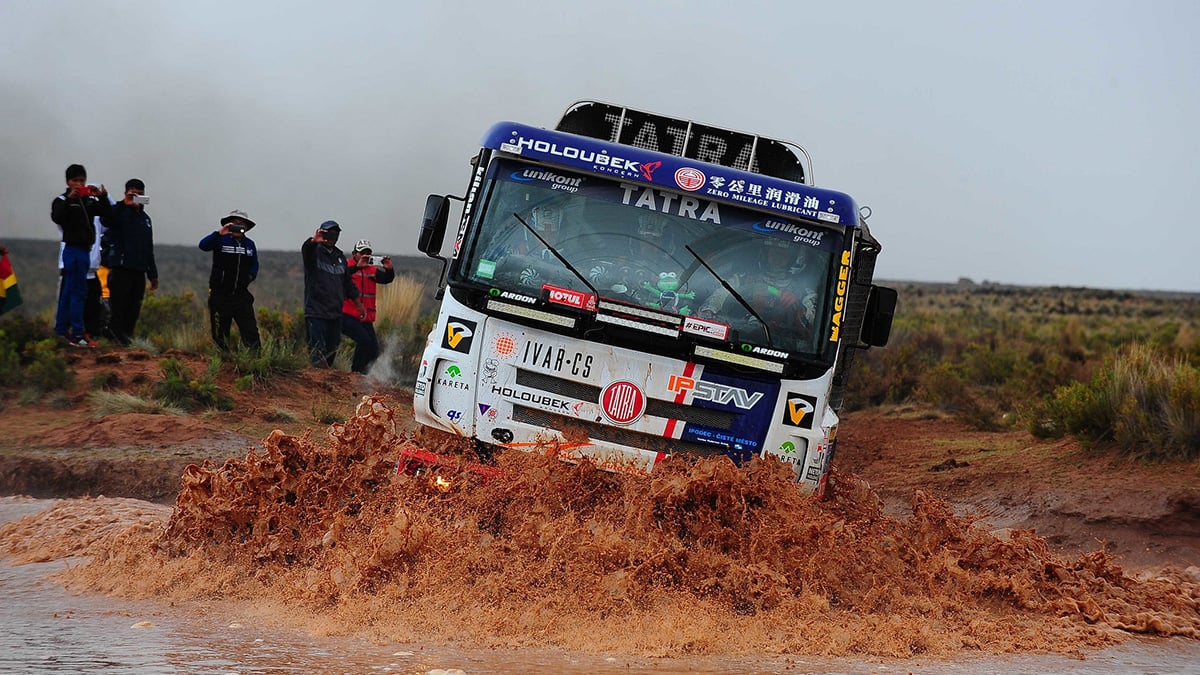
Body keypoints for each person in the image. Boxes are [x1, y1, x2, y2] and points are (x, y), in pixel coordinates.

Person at [697, 238, 821, 346]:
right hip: (736, 336)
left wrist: (799, 306)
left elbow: (817, 325)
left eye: (783, 253)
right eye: (773, 251)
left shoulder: (803, 292)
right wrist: (708, 311)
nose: (777, 256)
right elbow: (719, 296)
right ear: (765, 253)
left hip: (778, 346)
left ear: (795, 258)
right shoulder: (742, 279)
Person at [51, 164, 111, 347]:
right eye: (75, 180)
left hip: (85, 250)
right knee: (78, 292)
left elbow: (107, 215)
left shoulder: (88, 201)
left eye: (81, 180)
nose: (78, 184)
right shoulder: (62, 200)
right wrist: (70, 200)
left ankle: (61, 330)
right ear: (68, 181)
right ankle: (77, 334)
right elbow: (57, 217)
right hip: (73, 250)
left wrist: (102, 197)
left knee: (69, 292)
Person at [101, 179, 158, 345]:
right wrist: (123, 204)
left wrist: (152, 274)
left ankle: (126, 340)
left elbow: (149, 248)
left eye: (140, 193)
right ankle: (112, 340)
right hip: (121, 268)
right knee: (118, 307)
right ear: (126, 192)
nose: (137, 196)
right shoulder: (118, 212)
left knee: (134, 309)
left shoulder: (146, 219)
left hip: (139, 270)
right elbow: (106, 220)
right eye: (133, 193)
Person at [302, 221, 363, 368]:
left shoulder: (339, 257)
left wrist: (359, 305)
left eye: (335, 234)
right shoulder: (314, 252)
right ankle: (317, 385)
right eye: (328, 233)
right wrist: (312, 241)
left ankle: (326, 383)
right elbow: (306, 250)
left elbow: (347, 283)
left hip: (335, 313)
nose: (331, 237)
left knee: (331, 350)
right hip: (316, 312)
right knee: (317, 352)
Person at [199, 210, 261, 352]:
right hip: (220, 294)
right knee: (220, 332)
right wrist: (219, 233)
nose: (239, 226)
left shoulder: (249, 244)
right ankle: (223, 362)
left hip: (241, 294)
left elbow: (255, 263)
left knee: (250, 331)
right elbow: (203, 246)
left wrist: (250, 276)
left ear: (247, 227)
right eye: (235, 222)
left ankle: (256, 361)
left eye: (242, 223)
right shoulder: (220, 240)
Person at [341, 239, 395, 374]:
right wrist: (357, 267)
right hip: (347, 313)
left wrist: (389, 270)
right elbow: (339, 277)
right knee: (364, 341)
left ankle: (363, 376)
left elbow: (386, 279)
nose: (365, 256)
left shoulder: (371, 269)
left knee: (374, 350)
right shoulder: (347, 266)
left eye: (368, 253)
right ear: (354, 253)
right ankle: (356, 373)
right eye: (362, 253)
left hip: (366, 317)